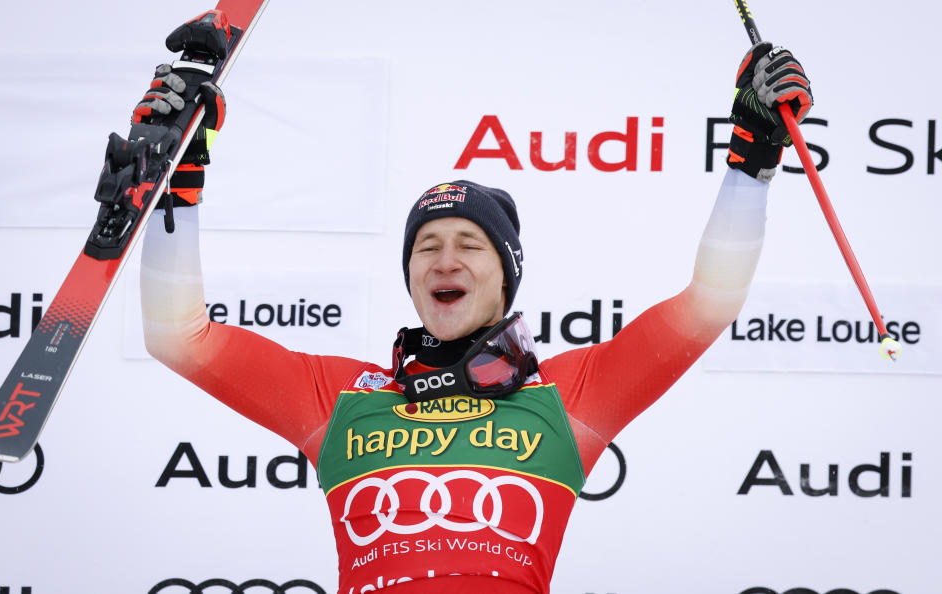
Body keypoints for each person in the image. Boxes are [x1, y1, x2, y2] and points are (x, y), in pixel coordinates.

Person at [139, 41, 811, 594]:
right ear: (409, 278)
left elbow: (710, 301)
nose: (444, 260)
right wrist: (179, 184)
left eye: (469, 245)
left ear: (504, 278)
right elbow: (178, 337)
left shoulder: (568, 398)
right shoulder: (343, 399)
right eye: (426, 247)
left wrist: (751, 163)